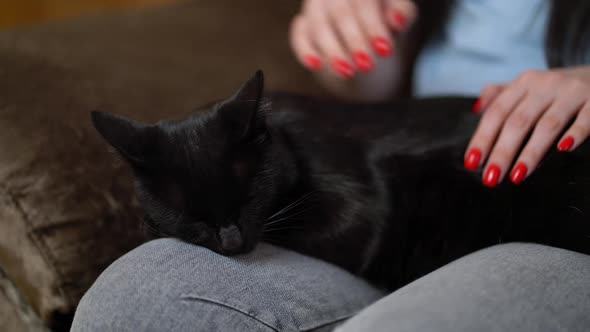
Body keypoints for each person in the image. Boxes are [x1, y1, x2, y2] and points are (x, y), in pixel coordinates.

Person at [71, 1, 590, 331]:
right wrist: (350, 33)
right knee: (136, 299)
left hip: (545, 216)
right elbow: (374, 92)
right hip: (408, 178)